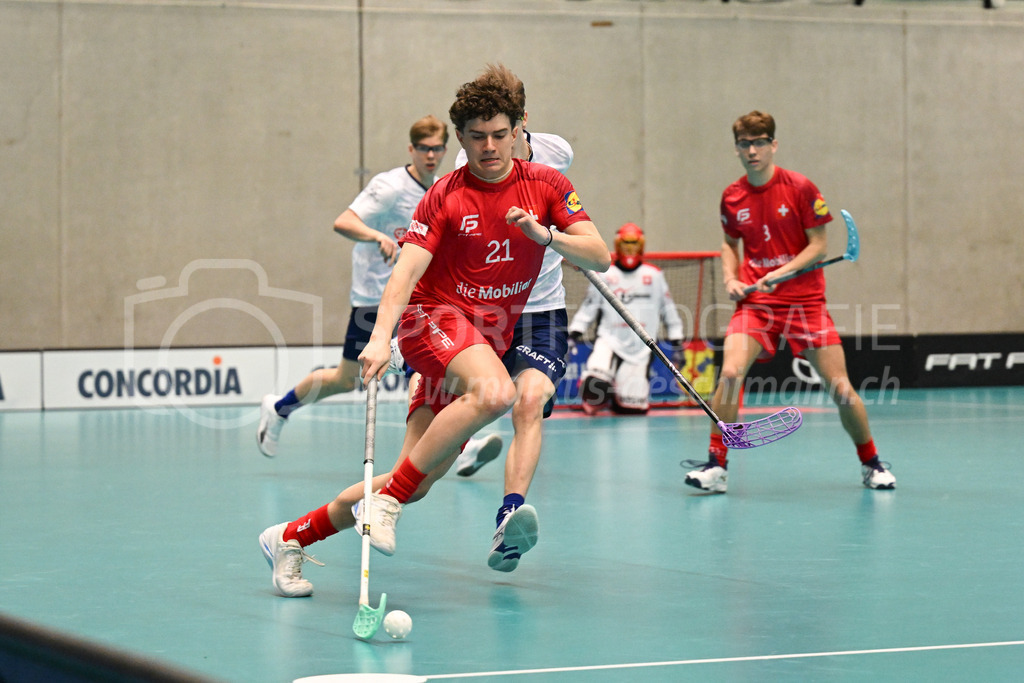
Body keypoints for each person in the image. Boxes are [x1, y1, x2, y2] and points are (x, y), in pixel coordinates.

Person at [258, 65, 611, 598]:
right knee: (497, 393)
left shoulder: (549, 185)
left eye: (498, 134)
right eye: (475, 137)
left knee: (417, 477)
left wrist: (548, 235)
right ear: (460, 139)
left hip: (485, 339)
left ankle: (290, 536)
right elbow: (405, 270)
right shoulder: (444, 195)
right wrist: (379, 337)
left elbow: (600, 255)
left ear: (518, 130)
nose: (488, 147)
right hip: (434, 320)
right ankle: (388, 502)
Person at [683, 110, 896, 494]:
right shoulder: (733, 196)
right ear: (736, 149)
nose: (753, 151)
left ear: (773, 145)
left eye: (760, 142)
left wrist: (780, 273)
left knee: (841, 389)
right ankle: (716, 465)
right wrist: (731, 277)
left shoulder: (800, 188)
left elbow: (819, 245)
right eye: (745, 144)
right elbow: (730, 245)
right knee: (729, 375)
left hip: (805, 303)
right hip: (756, 305)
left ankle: (872, 462)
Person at [256, 115, 448, 457]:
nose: (430, 155)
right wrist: (377, 236)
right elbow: (343, 222)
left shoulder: (439, 189)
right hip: (374, 295)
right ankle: (280, 408)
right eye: (423, 148)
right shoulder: (389, 186)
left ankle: (449, 443)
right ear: (411, 149)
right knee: (347, 378)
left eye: (436, 149)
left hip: (413, 296)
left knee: (422, 366)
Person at [568, 223, 685, 415]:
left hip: (640, 349)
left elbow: (669, 311)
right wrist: (574, 334)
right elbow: (588, 308)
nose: (630, 249)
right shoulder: (605, 274)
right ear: (617, 245)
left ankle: (618, 395)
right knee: (595, 386)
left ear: (641, 246)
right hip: (609, 340)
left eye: (634, 244)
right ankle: (598, 388)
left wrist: (677, 342)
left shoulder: (654, 276)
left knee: (631, 408)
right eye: (625, 244)